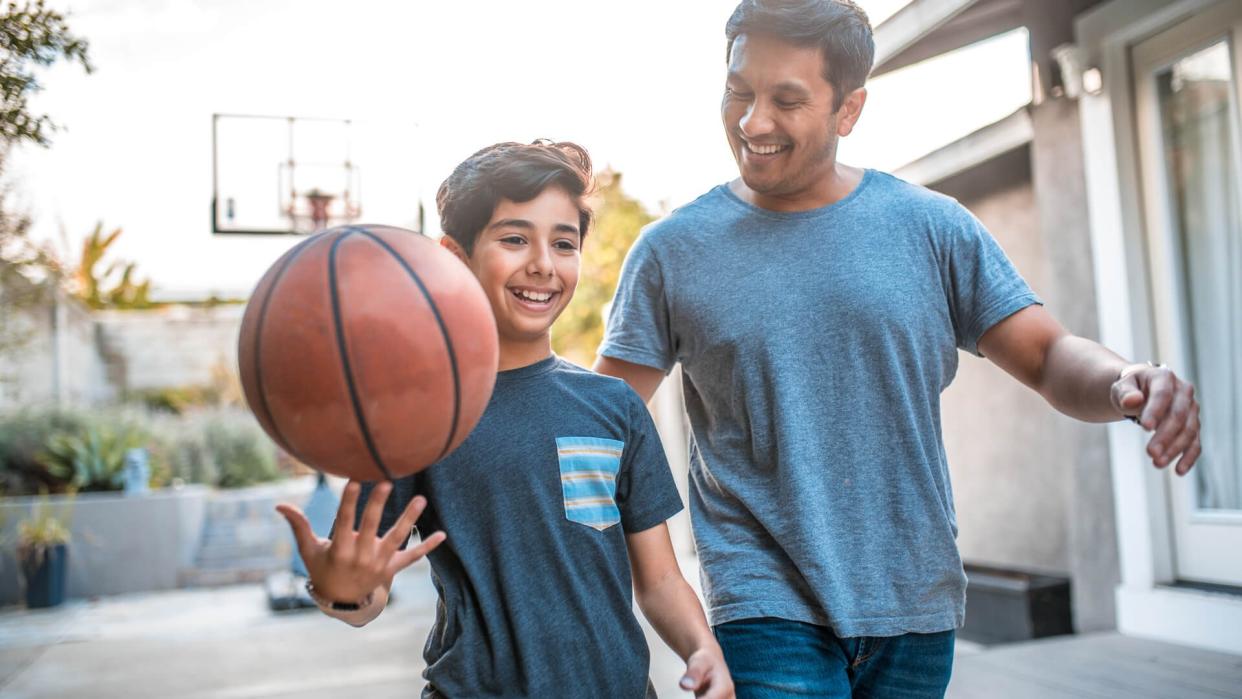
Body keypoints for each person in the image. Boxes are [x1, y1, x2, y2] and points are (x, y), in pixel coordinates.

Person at [593, 2, 1202, 697]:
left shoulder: (932, 229)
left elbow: (1048, 355)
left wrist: (1127, 379)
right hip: (763, 603)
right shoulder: (673, 253)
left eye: (786, 100)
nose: (752, 121)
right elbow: (600, 422)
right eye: (738, 90)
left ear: (848, 109)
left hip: (913, 600)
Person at [277, 140, 733, 699]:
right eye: (515, 238)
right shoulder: (416, 417)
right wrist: (341, 591)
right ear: (454, 255)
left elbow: (660, 579)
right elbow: (364, 598)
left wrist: (702, 648)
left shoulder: (613, 407)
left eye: (563, 243)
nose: (542, 263)